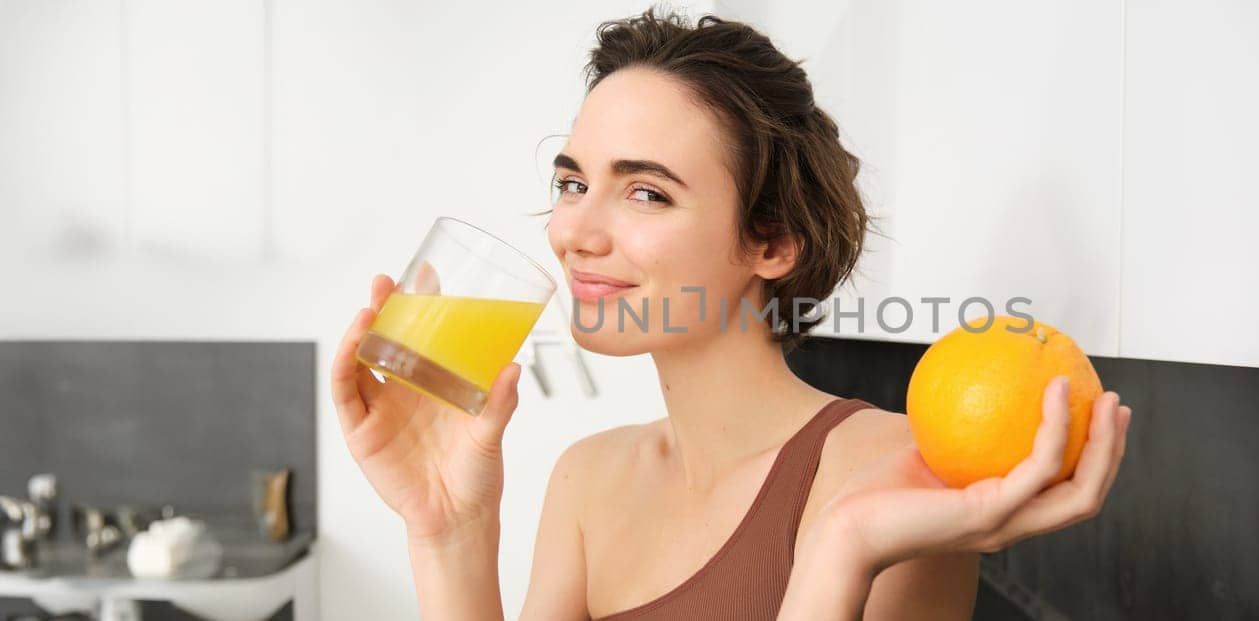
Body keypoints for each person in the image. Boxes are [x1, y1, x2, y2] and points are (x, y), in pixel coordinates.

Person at [331, 8, 1133, 620]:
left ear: (773, 242)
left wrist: (840, 552)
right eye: (573, 182)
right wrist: (448, 530)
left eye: (646, 191)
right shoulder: (587, 477)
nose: (575, 229)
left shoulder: (895, 472)